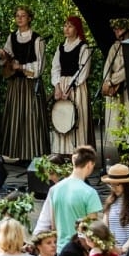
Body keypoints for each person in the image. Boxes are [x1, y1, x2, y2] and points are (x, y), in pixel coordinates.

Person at [33, 145, 102, 256]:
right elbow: (93, 228)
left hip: (61, 249)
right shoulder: (90, 193)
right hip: (81, 252)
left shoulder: (54, 190)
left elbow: (54, 225)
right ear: (90, 164)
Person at [0, 5, 48, 162]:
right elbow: (7, 58)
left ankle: (33, 154)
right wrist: (2, 57)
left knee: (31, 117)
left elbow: (40, 65)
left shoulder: (37, 39)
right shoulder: (12, 37)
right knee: (16, 117)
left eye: (23, 15)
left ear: (29, 18)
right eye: (17, 15)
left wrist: (21, 67)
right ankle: (19, 153)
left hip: (30, 83)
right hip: (15, 83)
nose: (19, 18)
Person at [50, 16, 91, 154]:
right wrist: (57, 86)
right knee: (62, 117)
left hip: (76, 87)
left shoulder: (83, 47)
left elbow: (83, 70)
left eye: (70, 26)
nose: (66, 29)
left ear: (77, 29)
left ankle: (77, 153)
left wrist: (70, 87)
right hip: (62, 85)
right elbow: (55, 67)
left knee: (76, 119)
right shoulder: (61, 47)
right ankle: (62, 152)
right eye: (65, 25)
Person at [99, 19, 129, 161]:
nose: (116, 32)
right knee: (117, 124)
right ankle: (122, 158)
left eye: (119, 29)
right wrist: (107, 82)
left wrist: (113, 80)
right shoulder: (114, 47)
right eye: (114, 29)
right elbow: (107, 66)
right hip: (115, 92)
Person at [100, 163, 129, 250]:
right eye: (111, 184)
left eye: (117, 184)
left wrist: (124, 248)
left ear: (126, 184)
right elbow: (105, 225)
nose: (113, 188)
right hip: (113, 251)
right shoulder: (111, 200)